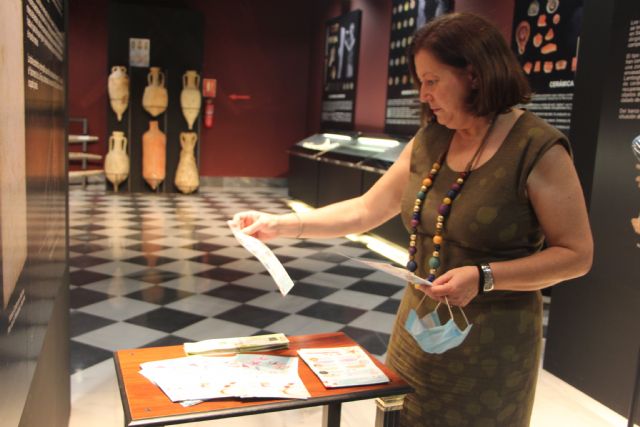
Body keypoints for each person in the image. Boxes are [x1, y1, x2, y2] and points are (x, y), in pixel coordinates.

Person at [232, 12, 593, 426]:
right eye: (421, 81)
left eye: (432, 80)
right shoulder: (432, 138)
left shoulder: (537, 148)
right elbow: (366, 209)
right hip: (417, 333)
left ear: (474, 75)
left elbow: (576, 255)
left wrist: (484, 277)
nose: (423, 94)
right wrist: (281, 224)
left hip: (492, 350)